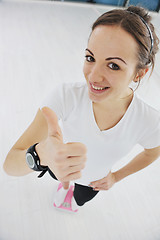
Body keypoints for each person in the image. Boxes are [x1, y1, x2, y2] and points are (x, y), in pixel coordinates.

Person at [3, 5, 160, 213]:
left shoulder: (148, 120)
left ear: (139, 74)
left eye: (113, 65)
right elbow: (9, 165)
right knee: (62, 178)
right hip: (55, 164)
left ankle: (73, 196)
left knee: (80, 199)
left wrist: (115, 177)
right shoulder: (66, 96)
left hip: (94, 181)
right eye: (90, 58)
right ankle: (64, 185)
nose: (93, 77)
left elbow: (152, 152)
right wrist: (42, 155)